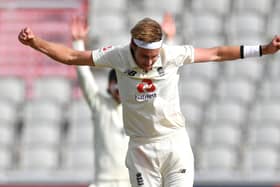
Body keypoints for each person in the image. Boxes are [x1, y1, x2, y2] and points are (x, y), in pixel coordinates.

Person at [18, 17, 280, 187]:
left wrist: (262, 49)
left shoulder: (171, 54)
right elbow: (73, 56)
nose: (150, 61)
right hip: (141, 151)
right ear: (133, 45)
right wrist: (35, 43)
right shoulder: (118, 56)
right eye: (145, 56)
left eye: (154, 56)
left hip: (174, 144)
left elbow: (217, 53)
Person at [71, 16, 130, 187]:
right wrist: (77, 43)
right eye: (115, 83)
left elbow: (161, 83)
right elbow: (84, 76)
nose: (119, 88)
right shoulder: (99, 104)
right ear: (109, 85)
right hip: (103, 182)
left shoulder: (136, 107)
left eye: (122, 83)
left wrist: (168, 39)